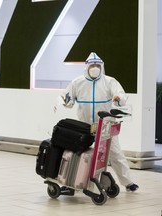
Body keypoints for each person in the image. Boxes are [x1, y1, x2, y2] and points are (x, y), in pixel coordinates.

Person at [55, 52, 139, 192]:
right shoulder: (77, 82)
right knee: (77, 153)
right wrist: (64, 101)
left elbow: (121, 95)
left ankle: (128, 182)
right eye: (92, 65)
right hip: (84, 125)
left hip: (105, 125)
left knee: (115, 153)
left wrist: (118, 98)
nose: (95, 67)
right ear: (86, 67)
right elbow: (68, 100)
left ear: (102, 67)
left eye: (97, 65)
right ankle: (69, 184)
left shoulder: (109, 81)